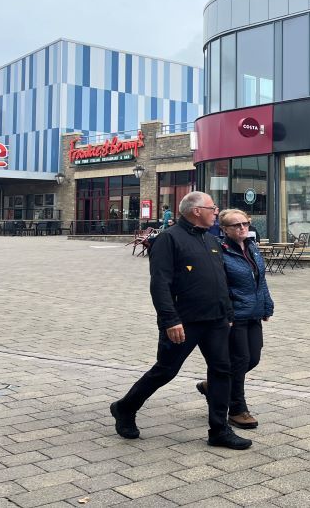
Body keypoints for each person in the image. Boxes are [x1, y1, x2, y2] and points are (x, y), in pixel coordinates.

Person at [110, 191, 251, 450]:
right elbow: (160, 284)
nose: (216, 212)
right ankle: (125, 407)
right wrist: (170, 320)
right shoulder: (169, 239)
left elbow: (220, 280)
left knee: (222, 370)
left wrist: (228, 314)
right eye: (212, 208)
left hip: (216, 320)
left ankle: (219, 430)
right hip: (184, 322)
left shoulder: (211, 239)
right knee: (166, 370)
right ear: (196, 211)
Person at [196, 209, 273, 430]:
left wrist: (266, 305)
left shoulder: (252, 247)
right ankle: (237, 409)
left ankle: (214, 385)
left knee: (253, 359)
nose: (242, 228)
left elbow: (260, 280)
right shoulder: (220, 251)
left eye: (245, 223)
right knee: (240, 361)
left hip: (253, 312)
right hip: (234, 315)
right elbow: (219, 286)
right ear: (224, 229)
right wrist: (227, 313)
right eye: (236, 225)